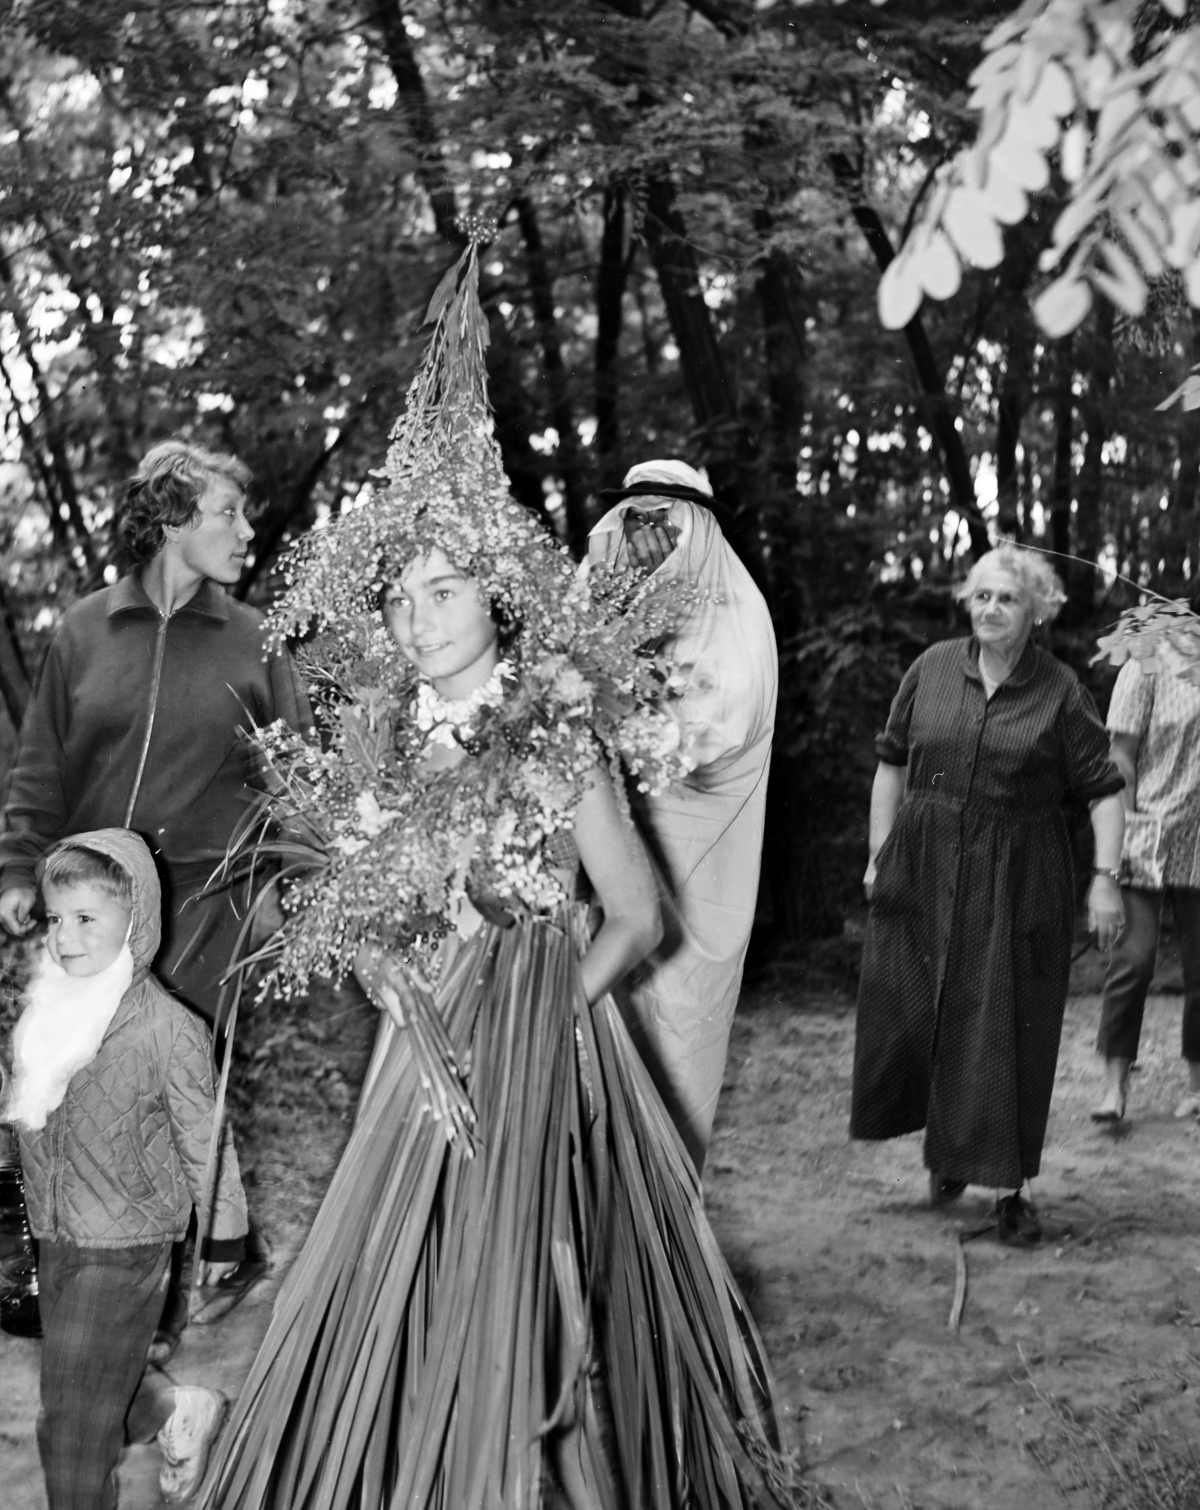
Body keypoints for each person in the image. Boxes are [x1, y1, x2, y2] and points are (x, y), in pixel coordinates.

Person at [203, 237, 794, 1510]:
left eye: (446, 586)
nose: (421, 617)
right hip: (415, 1055)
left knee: (529, 1281)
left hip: (531, 1045)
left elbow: (637, 917)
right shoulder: (372, 742)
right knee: (393, 1265)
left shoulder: (551, 730)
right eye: (402, 597)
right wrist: (383, 967)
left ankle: (538, 1475)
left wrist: (542, 1005)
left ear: (498, 593)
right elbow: (350, 911)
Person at [0, 829, 246, 1510]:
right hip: (58, 1236)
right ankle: (171, 1408)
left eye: (85, 919)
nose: (64, 937)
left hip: (127, 1246)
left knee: (71, 1426)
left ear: (135, 924)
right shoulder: (49, 1014)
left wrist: (224, 1237)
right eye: (55, 919)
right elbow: (28, 1107)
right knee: (83, 1387)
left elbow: (207, 1141)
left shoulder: (167, 1029)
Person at [851, 543, 1126, 1248]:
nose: (992, 608)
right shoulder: (930, 669)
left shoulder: (1062, 690)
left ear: (1037, 610)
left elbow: (1103, 794)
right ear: (966, 603)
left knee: (1006, 1022)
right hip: (924, 859)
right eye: (982, 596)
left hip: (1020, 871)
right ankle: (949, 1153)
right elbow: (890, 765)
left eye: (1008, 598)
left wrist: (1106, 879)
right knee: (922, 1008)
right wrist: (879, 854)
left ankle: (1009, 1187)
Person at [0, 440, 311, 1025]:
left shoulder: (258, 643)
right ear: (172, 520)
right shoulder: (84, 632)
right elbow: (41, 767)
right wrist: (19, 869)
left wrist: (295, 888)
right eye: (228, 513)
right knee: (82, 1088)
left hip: (207, 917)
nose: (246, 532)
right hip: (89, 904)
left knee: (182, 1093)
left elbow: (301, 787)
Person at [587, 460, 778, 1166]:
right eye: (633, 522)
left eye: (663, 524)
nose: (645, 540)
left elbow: (684, 747)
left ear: (697, 530)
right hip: (609, 890)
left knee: (667, 1063)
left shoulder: (735, 625)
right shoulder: (618, 603)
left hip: (694, 896)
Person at [1090, 561, 1200, 1124]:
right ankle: (1113, 1089)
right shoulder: (1149, 661)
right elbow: (1120, 756)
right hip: (1146, 835)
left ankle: (1199, 1088)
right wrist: (1123, 829)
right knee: (1134, 961)